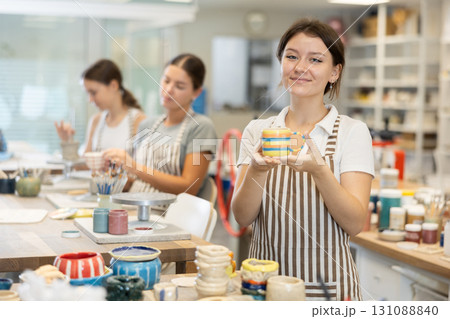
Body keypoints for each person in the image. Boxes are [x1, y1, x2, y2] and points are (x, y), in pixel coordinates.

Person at [231, 18, 374, 301]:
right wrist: (257, 171)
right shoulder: (258, 131)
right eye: (292, 56)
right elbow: (242, 217)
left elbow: (356, 223)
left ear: (335, 72)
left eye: (315, 60)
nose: (300, 67)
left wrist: (320, 171)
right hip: (264, 287)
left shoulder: (351, 132)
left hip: (328, 291)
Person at [103, 53, 217, 198]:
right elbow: (135, 181)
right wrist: (116, 171)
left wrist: (135, 167)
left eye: (179, 86)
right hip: (134, 205)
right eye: (166, 80)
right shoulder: (147, 124)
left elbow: (189, 187)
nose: (168, 89)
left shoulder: (201, 127)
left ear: (196, 92)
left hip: (169, 215)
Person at [54, 59, 146, 153]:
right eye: (88, 94)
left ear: (114, 85)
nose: (90, 100)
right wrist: (68, 141)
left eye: (93, 93)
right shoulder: (96, 121)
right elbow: (84, 164)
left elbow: (142, 165)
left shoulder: (138, 120)